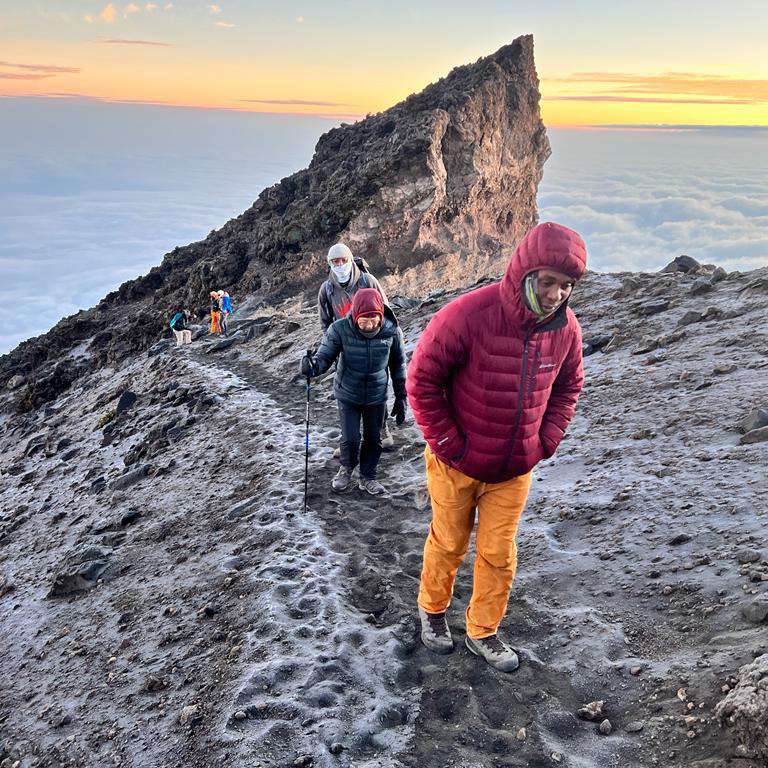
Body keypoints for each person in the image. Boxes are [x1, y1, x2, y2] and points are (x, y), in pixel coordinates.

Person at [406, 221, 587, 673]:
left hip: (513, 470)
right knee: (448, 543)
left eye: (566, 286)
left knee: (499, 554)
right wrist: (449, 444)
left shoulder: (566, 331)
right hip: (455, 464)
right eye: (548, 282)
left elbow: (569, 387)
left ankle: (483, 631)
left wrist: (544, 442)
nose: (556, 295)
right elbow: (422, 381)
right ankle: (432, 613)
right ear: (526, 271)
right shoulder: (467, 314)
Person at [301, 288, 407, 496]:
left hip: (376, 394)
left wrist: (401, 396)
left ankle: (368, 476)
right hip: (348, 392)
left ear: (381, 315)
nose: (368, 324)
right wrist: (312, 367)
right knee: (350, 438)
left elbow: (398, 365)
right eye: (363, 320)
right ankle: (346, 468)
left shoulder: (392, 332)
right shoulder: (339, 329)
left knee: (373, 438)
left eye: (373, 319)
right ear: (355, 315)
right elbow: (324, 357)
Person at [317, 243, 395, 450]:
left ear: (351, 260)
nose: (340, 265)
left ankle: (382, 429)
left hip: (373, 341)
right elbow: (325, 321)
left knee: (376, 387)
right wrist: (333, 344)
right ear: (329, 264)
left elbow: (386, 312)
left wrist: (385, 340)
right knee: (346, 391)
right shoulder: (327, 289)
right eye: (335, 262)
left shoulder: (368, 281)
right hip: (344, 346)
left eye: (343, 260)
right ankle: (348, 437)